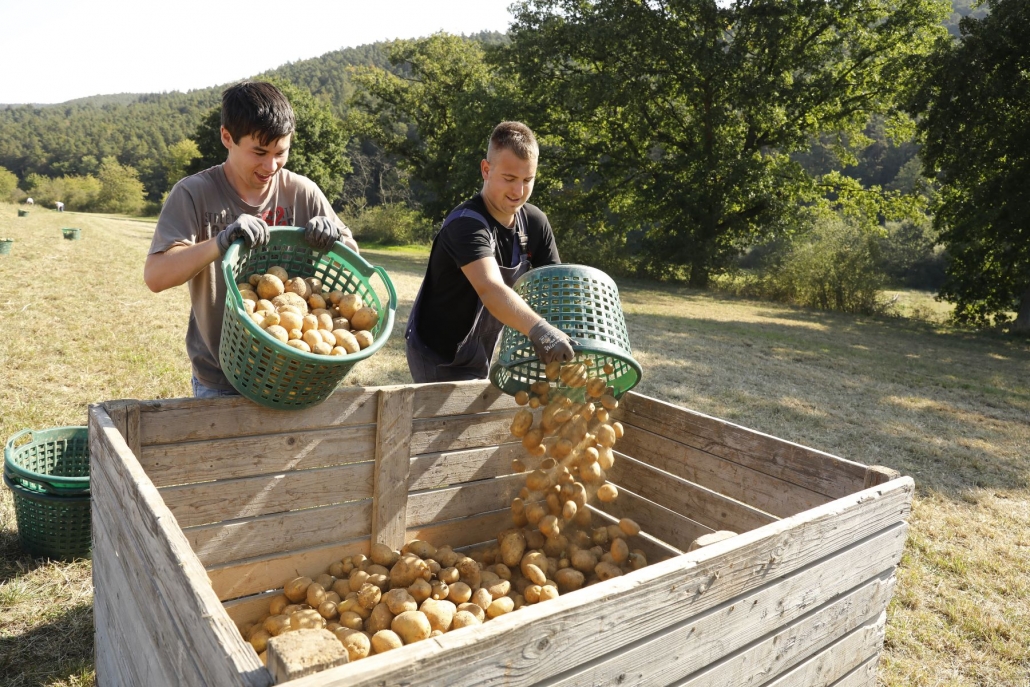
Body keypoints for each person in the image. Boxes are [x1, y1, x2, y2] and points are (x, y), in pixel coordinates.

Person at [143, 81, 356, 399]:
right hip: (223, 379)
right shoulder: (194, 193)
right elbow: (156, 276)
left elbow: (352, 262)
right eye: (259, 152)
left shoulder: (302, 192)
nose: (271, 166)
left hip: (296, 374)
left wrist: (334, 237)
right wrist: (220, 241)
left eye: (280, 153)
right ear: (227, 137)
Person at [405, 121, 574, 383]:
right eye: (509, 179)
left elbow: (556, 288)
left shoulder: (534, 222)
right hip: (438, 354)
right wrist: (541, 331)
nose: (518, 192)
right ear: (486, 169)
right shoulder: (466, 224)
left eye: (527, 180)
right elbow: (490, 289)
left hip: (480, 350)